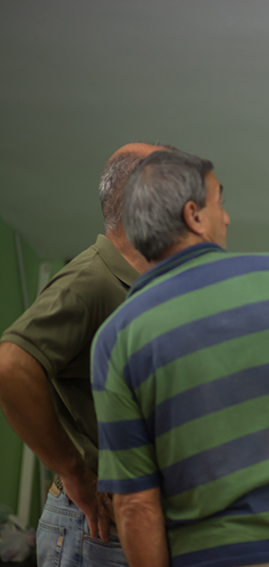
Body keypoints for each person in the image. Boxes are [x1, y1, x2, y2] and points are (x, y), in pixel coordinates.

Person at [91, 149, 269, 567]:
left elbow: (135, 504)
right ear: (194, 215)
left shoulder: (116, 339)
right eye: (220, 202)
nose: (227, 218)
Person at [0, 143, 172, 567]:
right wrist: (75, 472)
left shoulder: (148, 282)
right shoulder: (92, 278)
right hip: (93, 524)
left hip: (139, 516)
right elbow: (11, 366)